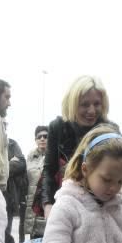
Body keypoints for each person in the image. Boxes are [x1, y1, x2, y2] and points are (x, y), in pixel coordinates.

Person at [39, 75, 113, 218]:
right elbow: (49, 170)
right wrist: (47, 204)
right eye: (84, 105)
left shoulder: (110, 130)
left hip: (102, 205)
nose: (92, 111)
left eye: (97, 104)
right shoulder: (57, 127)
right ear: (72, 104)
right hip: (66, 203)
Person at [25, 126, 49, 239]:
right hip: (31, 205)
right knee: (34, 242)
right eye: (39, 137)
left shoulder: (55, 156)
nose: (42, 139)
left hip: (47, 203)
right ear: (36, 140)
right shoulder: (30, 157)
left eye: (46, 136)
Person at [5, 138, 27, 243]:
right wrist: (10, 162)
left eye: (5, 124)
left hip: (8, 197)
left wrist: (2, 167)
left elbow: (22, 164)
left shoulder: (12, 143)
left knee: (6, 235)